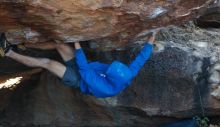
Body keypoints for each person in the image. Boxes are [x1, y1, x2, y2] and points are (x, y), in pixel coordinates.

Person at [0, 31, 157, 98]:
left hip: (78, 79)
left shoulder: (105, 88)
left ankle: (7, 52)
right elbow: (142, 57)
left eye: (109, 70)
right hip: (86, 67)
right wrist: (152, 36)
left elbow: (84, 69)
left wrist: (76, 42)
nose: (108, 66)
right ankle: (22, 45)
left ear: (110, 78)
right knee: (59, 44)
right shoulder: (127, 73)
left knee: (48, 63)